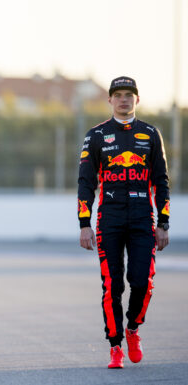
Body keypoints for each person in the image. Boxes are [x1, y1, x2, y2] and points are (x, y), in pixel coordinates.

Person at [78, 76, 170, 369]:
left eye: (129, 94)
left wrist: (163, 222)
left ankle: (133, 328)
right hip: (110, 217)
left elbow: (161, 181)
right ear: (110, 100)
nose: (123, 99)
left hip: (144, 215)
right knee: (112, 284)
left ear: (137, 100)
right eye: (118, 94)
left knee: (142, 281)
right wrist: (84, 222)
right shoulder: (95, 135)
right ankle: (115, 345)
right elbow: (85, 182)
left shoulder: (151, 134)